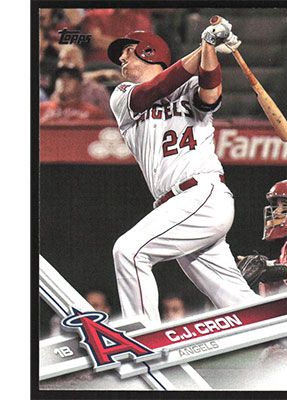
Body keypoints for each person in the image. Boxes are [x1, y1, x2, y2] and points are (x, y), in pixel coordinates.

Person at [107, 18, 258, 324]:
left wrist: (208, 48)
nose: (121, 58)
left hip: (201, 194)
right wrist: (205, 45)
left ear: (148, 51)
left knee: (129, 251)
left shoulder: (189, 85)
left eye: (128, 50)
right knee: (237, 302)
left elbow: (210, 90)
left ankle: (142, 339)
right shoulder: (122, 94)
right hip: (175, 206)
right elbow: (155, 89)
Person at [237, 179, 287, 296]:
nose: (276, 212)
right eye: (276, 206)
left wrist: (275, 271)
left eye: (285, 205)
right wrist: (265, 266)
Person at [50, 44, 121, 118]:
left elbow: (106, 121)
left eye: (69, 59)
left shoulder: (96, 91)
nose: (64, 64)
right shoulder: (58, 92)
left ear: (82, 64)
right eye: (61, 59)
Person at [40, 66, 107, 123]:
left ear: (79, 84)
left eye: (70, 78)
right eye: (60, 77)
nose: (64, 81)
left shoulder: (94, 113)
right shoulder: (41, 109)